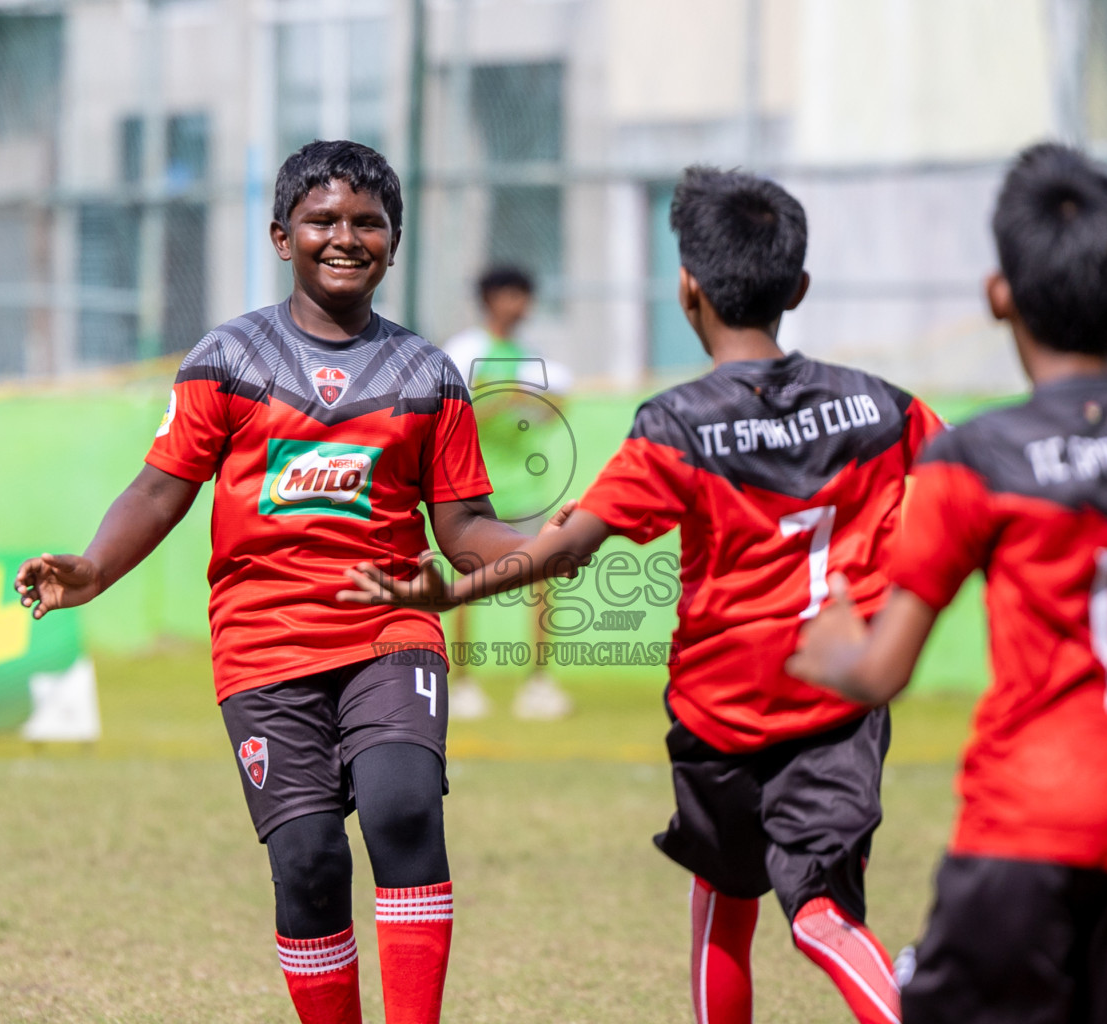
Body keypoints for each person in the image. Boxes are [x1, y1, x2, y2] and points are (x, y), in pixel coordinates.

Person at [342, 166, 943, 1024]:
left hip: (723, 714)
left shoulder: (677, 425)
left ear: (686, 286)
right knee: (822, 914)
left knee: (722, 911)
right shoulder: (881, 405)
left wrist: (451, 587)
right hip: (839, 707)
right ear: (798, 287)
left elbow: (567, 550)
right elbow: (973, 476)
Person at [13, 140, 565, 1024]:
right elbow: (161, 488)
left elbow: (462, 527)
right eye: (323, 221)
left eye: (367, 223)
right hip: (263, 644)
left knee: (404, 808)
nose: (344, 237)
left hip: (389, 631)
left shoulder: (429, 377)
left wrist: (543, 541)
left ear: (394, 241)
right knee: (309, 861)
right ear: (282, 236)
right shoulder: (228, 360)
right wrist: (94, 567)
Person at [785, 143, 1107, 1024]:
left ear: (998, 296)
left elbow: (882, 671)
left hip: (1023, 833)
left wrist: (835, 652)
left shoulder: (975, 461)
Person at [442, 265, 575, 721]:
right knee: (467, 583)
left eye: (525, 295)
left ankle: (538, 682)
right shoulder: (464, 352)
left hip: (526, 489)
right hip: (474, 488)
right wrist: (507, 397)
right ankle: (460, 684)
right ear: (490, 298)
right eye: (511, 294)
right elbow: (458, 416)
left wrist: (544, 404)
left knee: (542, 582)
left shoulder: (531, 356)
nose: (520, 305)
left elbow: (544, 412)